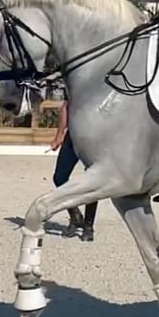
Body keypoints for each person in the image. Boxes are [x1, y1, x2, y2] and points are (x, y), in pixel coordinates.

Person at [50, 98, 98, 241]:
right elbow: (66, 106)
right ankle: (75, 214)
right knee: (59, 177)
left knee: (93, 179)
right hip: (73, 135)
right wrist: (59, 136)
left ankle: (89, 226)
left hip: (95, 136)